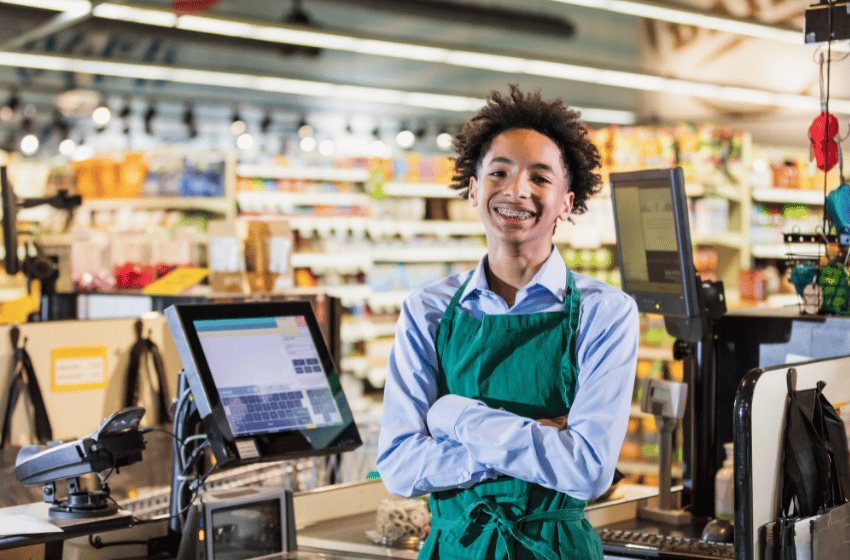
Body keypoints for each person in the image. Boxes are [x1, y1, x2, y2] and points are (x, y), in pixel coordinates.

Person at [376, 84, 639, 560]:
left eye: (540, 178)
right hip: (454, 548)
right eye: (499, 172)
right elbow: (398, 467)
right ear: (475, 189)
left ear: (567, 202)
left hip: (556, 550)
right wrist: (540, 439)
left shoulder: (605, 312)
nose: (517, 190)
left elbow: (589, 471)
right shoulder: (428, 310)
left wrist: (454, 416)